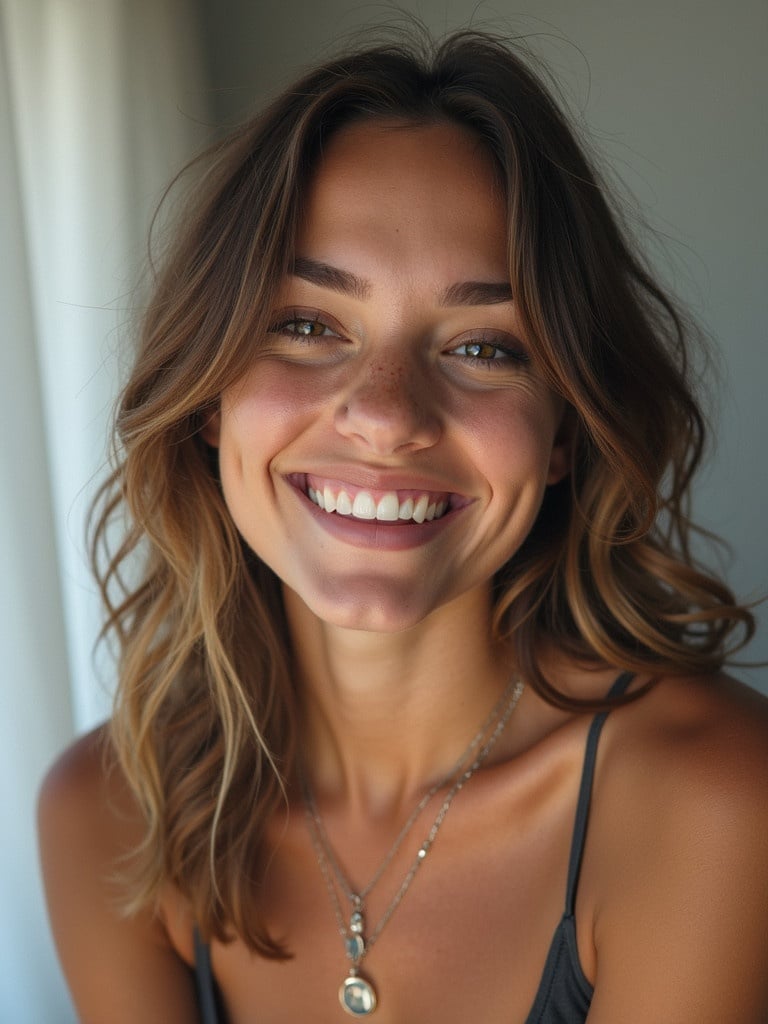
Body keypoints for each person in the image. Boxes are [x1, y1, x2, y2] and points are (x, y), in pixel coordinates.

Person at [38, 28, 768, 1024]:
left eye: (481, 345)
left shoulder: (715, 800)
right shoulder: (106, 813)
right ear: (207, 397)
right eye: (306, 325)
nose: (385, 415)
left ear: (563, 432)